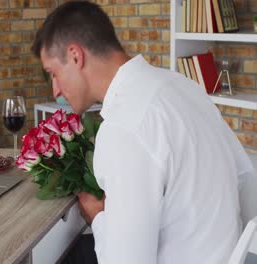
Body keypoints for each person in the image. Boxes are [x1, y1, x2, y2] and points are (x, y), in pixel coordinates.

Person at [31, 1, 256, 263]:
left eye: (54, 74)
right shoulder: (184, 85)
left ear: (75, 56)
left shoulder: (124, 126)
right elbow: (242, 176)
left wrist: (98, 217)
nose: (55, 90)